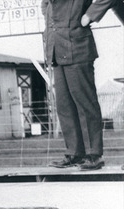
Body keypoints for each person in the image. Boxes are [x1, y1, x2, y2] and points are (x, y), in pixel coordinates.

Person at [43, 0, 118, 170]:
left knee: (85, 103)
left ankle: (94, 155)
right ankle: (75, 153)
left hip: (77, 47)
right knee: (64, 105)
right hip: (57, 49)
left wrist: (90, 15)